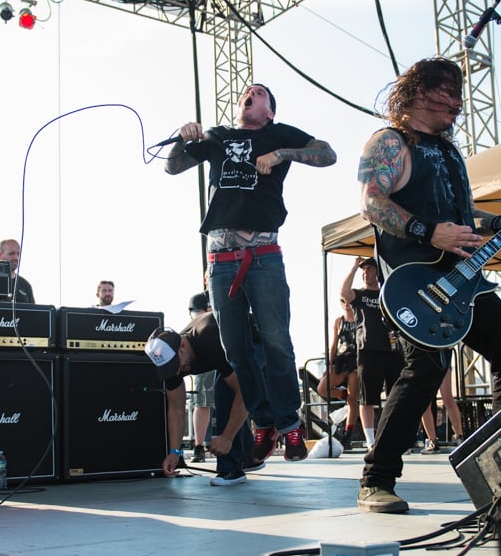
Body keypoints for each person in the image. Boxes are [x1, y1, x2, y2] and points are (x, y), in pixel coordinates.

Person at [355, 57, 501, 513]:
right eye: (449, 93)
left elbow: (462, 211)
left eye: (460, 95)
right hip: (417, 281)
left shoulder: (450, 151)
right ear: (419, 92)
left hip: (465, 279)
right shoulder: (391, 142)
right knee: (425, 369)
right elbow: (371, 203)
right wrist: (428, 232)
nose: (458, 105)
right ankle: (376, 479)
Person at [165, 83, 337, 462]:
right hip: (220, 259)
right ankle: (264, 422)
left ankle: (290, 425)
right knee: (235, 350)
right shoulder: (218, 137)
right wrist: (182, 137)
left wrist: (281, 153)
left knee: (276, 341)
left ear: (270, 112)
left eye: (259, 93)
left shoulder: (279, 134)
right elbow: (173, 166)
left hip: (263, 255)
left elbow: (328, 154)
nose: (250, 93)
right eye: (248, 91)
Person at [144, 312, 254, 486]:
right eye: (170, 368)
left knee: (224, 393)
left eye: (176, 364)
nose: (178, 370)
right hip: (226, 350)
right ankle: (250, 457)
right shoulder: (172, 362)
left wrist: (227, 437)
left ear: (182, 345)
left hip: (255, 339)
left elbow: (246, 392)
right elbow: (176, 408)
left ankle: (231, 469)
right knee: (225, 389)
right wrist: (174, 452)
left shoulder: (210, 340)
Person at [340, 257, 403, 450]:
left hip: (392, 351)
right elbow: (344, 293)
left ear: (377, 271)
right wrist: (353, 267)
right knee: (367, 397)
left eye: (369, 269)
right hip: (368, 350)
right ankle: (371, 441)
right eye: (364, 270)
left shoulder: (387, 293)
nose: (365, 273)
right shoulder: (359, 295)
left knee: (396, 396)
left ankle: (394, 436)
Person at [316, 296, 359, 450]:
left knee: (353, 400)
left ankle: (348, 434)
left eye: (348, 301)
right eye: (342, 301)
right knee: (322, 388)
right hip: (340, 360)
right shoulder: (338, 321)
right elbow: (334, 344)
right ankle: (344, 395)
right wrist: (329, 364)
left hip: (356, 360)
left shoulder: (360, 318)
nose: (346, 304)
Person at [188, 291, 216, 462]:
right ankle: (199, 446)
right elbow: (196, 317)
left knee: (233, 399)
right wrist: (209, 312)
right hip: (204, 355)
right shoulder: (198, 298)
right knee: (202, 402)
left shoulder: (226, 292)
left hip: (226, 353)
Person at [418, 368, 464, 454]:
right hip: (425, 363)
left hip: (439, 363)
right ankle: (433, 441)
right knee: (425, 402)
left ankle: (459, 437)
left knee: (447, 398)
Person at [0, 239, 35, 304]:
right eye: (11, 254)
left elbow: (33, 310)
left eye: (18, 254)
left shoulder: (25, 285)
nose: (16, 258)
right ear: (0, 255)